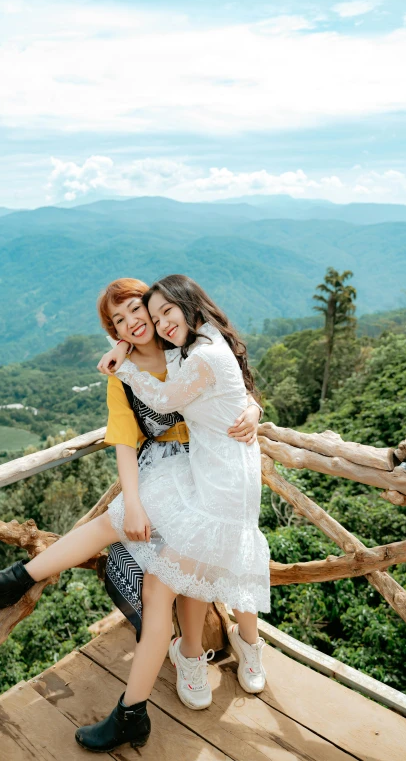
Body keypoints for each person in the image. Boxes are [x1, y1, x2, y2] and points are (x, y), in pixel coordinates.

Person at [0, 275, 267, 753]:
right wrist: (137, 501)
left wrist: (254, 408)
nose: (137, 323)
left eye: (140, 312)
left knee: (174, 579)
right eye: (119, 321)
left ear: (162, 308)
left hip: (210, 482)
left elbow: (227, 381)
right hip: (176, 475)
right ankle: (20, 579)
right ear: (114, 331)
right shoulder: (150, 359)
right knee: (122, 524)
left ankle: (171, 679)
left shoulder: (183, 347)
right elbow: (125, 442)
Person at [96, 278, 261, 717]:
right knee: (204, 567)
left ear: (190, 307)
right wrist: (125, 354)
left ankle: (233, 648)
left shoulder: (201, 351)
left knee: (217, 564)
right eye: (155, 317)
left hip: (226, 481)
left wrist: (121, 363)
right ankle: (193, 654)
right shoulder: (195, 343)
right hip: (206, 475)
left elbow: (169, 399)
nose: (159, 324)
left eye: (167, 313)